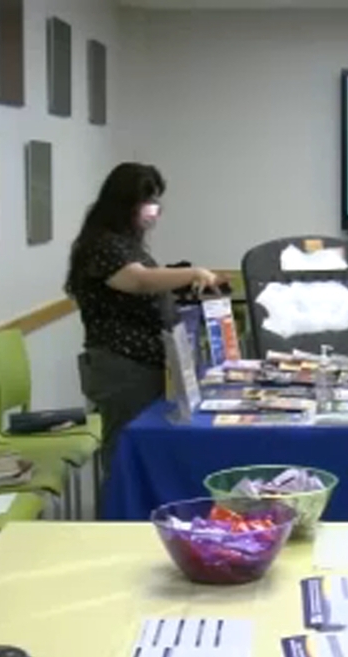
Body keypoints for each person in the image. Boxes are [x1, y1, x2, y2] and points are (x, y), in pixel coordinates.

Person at [64, 162, 217, 476]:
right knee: (124, 453)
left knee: (144, 453)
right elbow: (139, 281)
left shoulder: (126, 242)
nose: (153, 212)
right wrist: (192, 273)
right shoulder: (102, 245)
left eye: (156, 203)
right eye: (147, 204)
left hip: (147, 365)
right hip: (123, 366)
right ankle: (119, 520)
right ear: (124, 205)